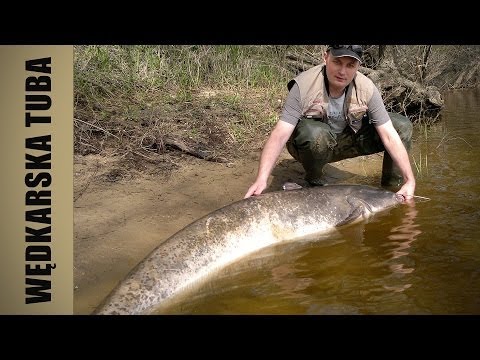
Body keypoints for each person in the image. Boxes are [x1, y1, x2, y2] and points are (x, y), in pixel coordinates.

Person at [244, 45, 416, 201]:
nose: (342, 71)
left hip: (347, 141)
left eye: (350, 65)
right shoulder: (303, 85)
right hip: (309, 145)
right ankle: (314, 183)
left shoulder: (367, 88)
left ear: (358, 67)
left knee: (401, 126)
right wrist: (262, 179)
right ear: (325, 57)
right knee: (316, 134)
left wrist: (410, 179)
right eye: (337, 62)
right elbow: (280, 135)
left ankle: (393, 191)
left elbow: (389, 134)